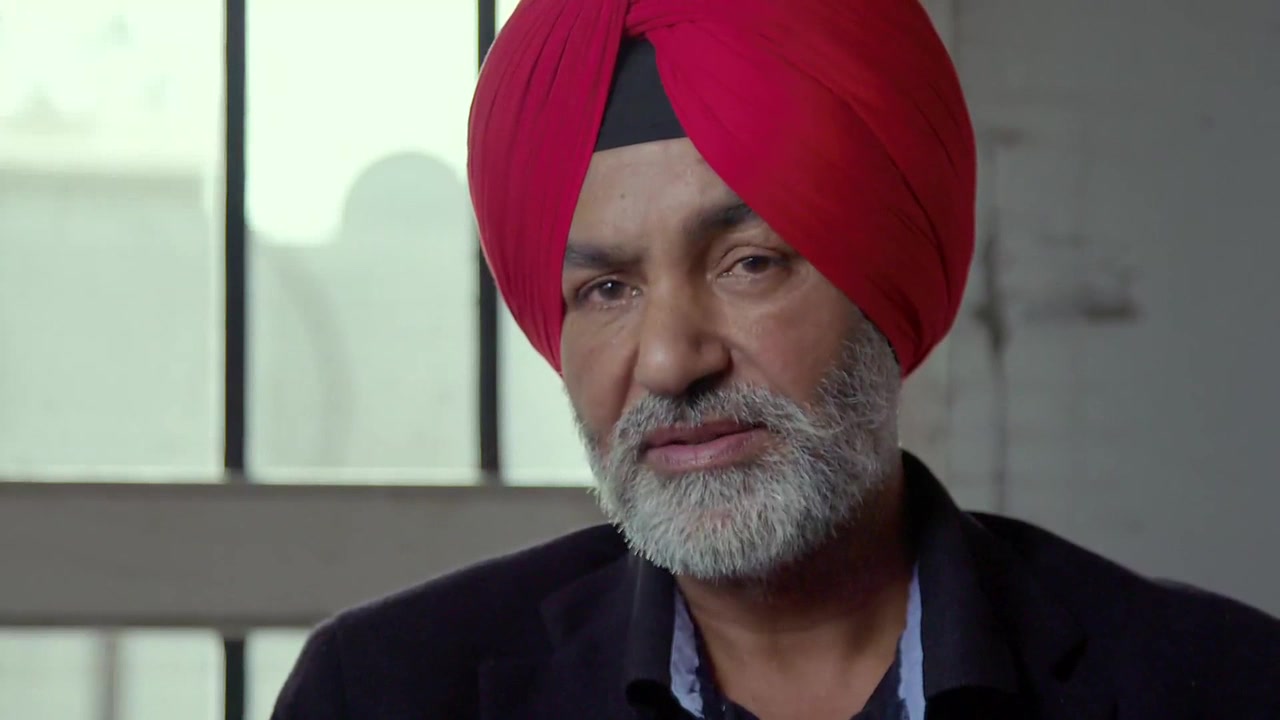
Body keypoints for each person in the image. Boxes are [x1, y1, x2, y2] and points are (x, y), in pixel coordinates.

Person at [272, 0, 1280, 718]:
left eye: (748, 264)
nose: (670, 361)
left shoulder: (1218, 686)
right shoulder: (387, 692)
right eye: (607, 290)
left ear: (884, 279)